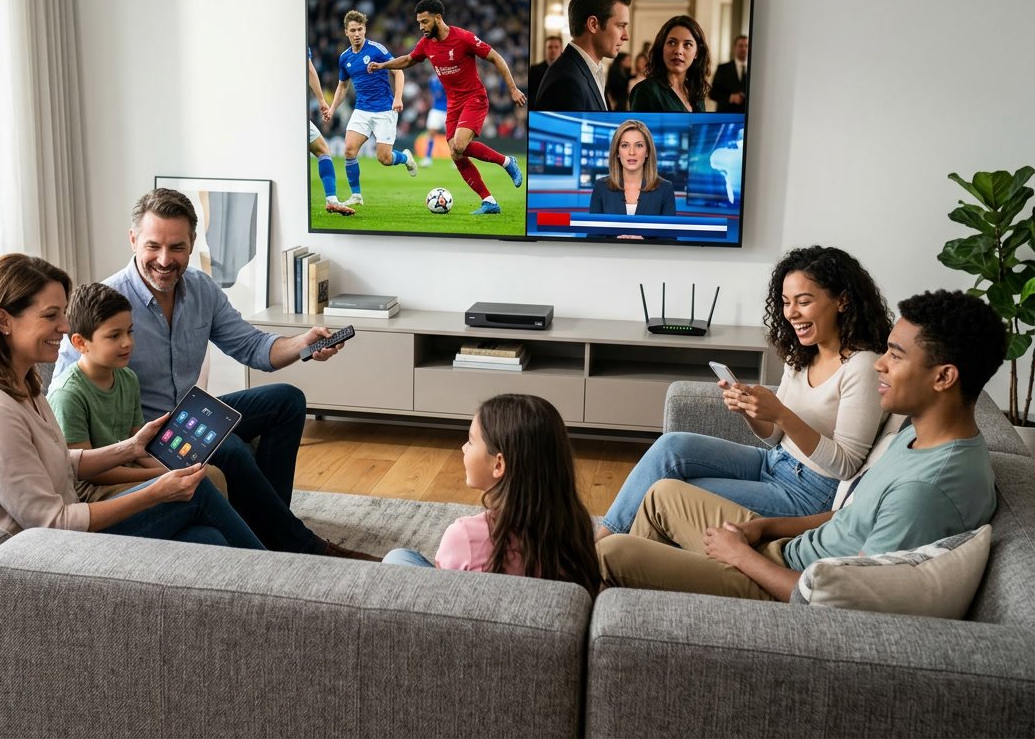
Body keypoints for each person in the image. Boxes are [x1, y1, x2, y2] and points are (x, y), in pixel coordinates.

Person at [597, 289, 1006, 601]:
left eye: (895, 356)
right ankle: (636, 610)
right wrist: (763, 527)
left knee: (613, 555)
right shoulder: (916, 437)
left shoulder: (926, 492)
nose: (879, 363)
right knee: (662, 493)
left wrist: (740, 555)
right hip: (783, 549)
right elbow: (848, 517)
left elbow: (840, 602)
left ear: (943, 377)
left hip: (780, 582)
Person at [54, 188, 378, 560]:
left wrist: (303, 343)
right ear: (133, 240)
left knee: (287, 400)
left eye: (177, 247)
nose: (165, 259)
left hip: (187, 415)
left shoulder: (201, 289)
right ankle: (299, 546)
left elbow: (252, 346)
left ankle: (269, 527)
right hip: (147, 436)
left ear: (192, 243)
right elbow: (66, 388)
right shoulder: (106, 306)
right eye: (153, 246)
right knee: (230, 448)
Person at [0, 254, 264, 549]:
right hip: (37, 554)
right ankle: (280, 583)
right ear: (4, 321)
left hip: (61, 531)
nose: (65, 326)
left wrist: (131, 447)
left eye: (63, 313)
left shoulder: (20, 382)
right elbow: (52, 523)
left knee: (207, 539)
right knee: (200, 492)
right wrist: (155, 491)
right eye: (51, 315)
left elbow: (57, 462)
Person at [594, 245, 892, 539]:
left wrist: (781, 414)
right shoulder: (802, 355)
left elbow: (845, 465)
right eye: (786, 302)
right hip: (774, 461)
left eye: (803, 301)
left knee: (674, 491)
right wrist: (750, 410)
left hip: (809, 494)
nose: (791, 313)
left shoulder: (862, 366)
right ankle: (603, 539)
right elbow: (774, 436)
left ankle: (615, 551)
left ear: (842, 301)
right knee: (671, 447)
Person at [382, 394, 601, 597]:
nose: (463, 448)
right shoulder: (576, 526)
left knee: (397, 558)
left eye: (471, 441)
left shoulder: (465, 535)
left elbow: (443, 601)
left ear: (498, 464)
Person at [366, 0, 526, 215]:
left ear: (438, 18)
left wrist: (513, 89)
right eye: (419, 23)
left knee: (459, 145)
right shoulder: (426, 43)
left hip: (474, 98)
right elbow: (409, 59)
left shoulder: (463, 38)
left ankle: (507, 162)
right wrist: (383, 65)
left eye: (424, 22)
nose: (421, 27)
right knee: (456, 153)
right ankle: (489, 202)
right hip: (453, 104)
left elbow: (496, 58)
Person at [47, 283, 166, 502]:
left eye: (129, 332)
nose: (127, 343)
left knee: (205, 474)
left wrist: (170, 468)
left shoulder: (128, 378)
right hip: (91, 489)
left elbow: (138, 444)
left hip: (128, 469)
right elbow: (85, 471)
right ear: (80, 343)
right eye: (114, 336)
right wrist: (158, 475)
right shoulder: (68, 395)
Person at [324, 10, 417, 208]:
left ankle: (405, 158)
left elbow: (398, 72)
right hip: (362, 110)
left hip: (384, 110)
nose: (357, 34)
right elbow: (343, 86)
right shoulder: (345, 58)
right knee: (349, 150)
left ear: (365, 29)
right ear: (346, 32)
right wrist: (332, 109)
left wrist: (398, 98)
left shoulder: (377, 50)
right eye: (353, 30)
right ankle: (356, 195)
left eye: (360, 29)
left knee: (384, 158)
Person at [534, 0, 632, 112]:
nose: (626, 36)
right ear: (593, 24)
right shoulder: (567, 82)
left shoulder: (586, 70)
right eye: (620, 26)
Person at [588, 119, 675, 223]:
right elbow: (594, 232)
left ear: (647, 152)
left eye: (639, 145)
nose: (632, 152)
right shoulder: (601, 187)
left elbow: (669, 233)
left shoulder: (665, 189)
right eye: (625, 145)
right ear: (617, 152)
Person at [628, 15, 711, 113]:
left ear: (697, 53)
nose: (678, 51)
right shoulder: (646, 91)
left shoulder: (696, 94)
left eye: (687, 44)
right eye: (672, 42)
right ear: (662, 47)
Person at [308, 48, 354, 216]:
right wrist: (321, 100)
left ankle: (332, 201)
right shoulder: (298, 45)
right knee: (322, 151)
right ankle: (331, 200)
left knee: (322, 149)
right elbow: (309, 69)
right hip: (291, 112)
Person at [709, 34, 749, 114]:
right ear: (735, 48)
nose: (744, 49)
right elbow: (712, 93)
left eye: (746, 46)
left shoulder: (755, 70)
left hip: (746, 116)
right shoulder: (723, 68)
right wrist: (731, 98)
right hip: (725, 115)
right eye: (740, 46)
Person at [420, 71, 447, 168]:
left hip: (448, 109)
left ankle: (458, 160)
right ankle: (427, 158)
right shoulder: (432, 79)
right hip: (436, 109)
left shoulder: (447, 78)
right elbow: (432, 94)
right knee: (431, 133)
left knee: (452, 136)